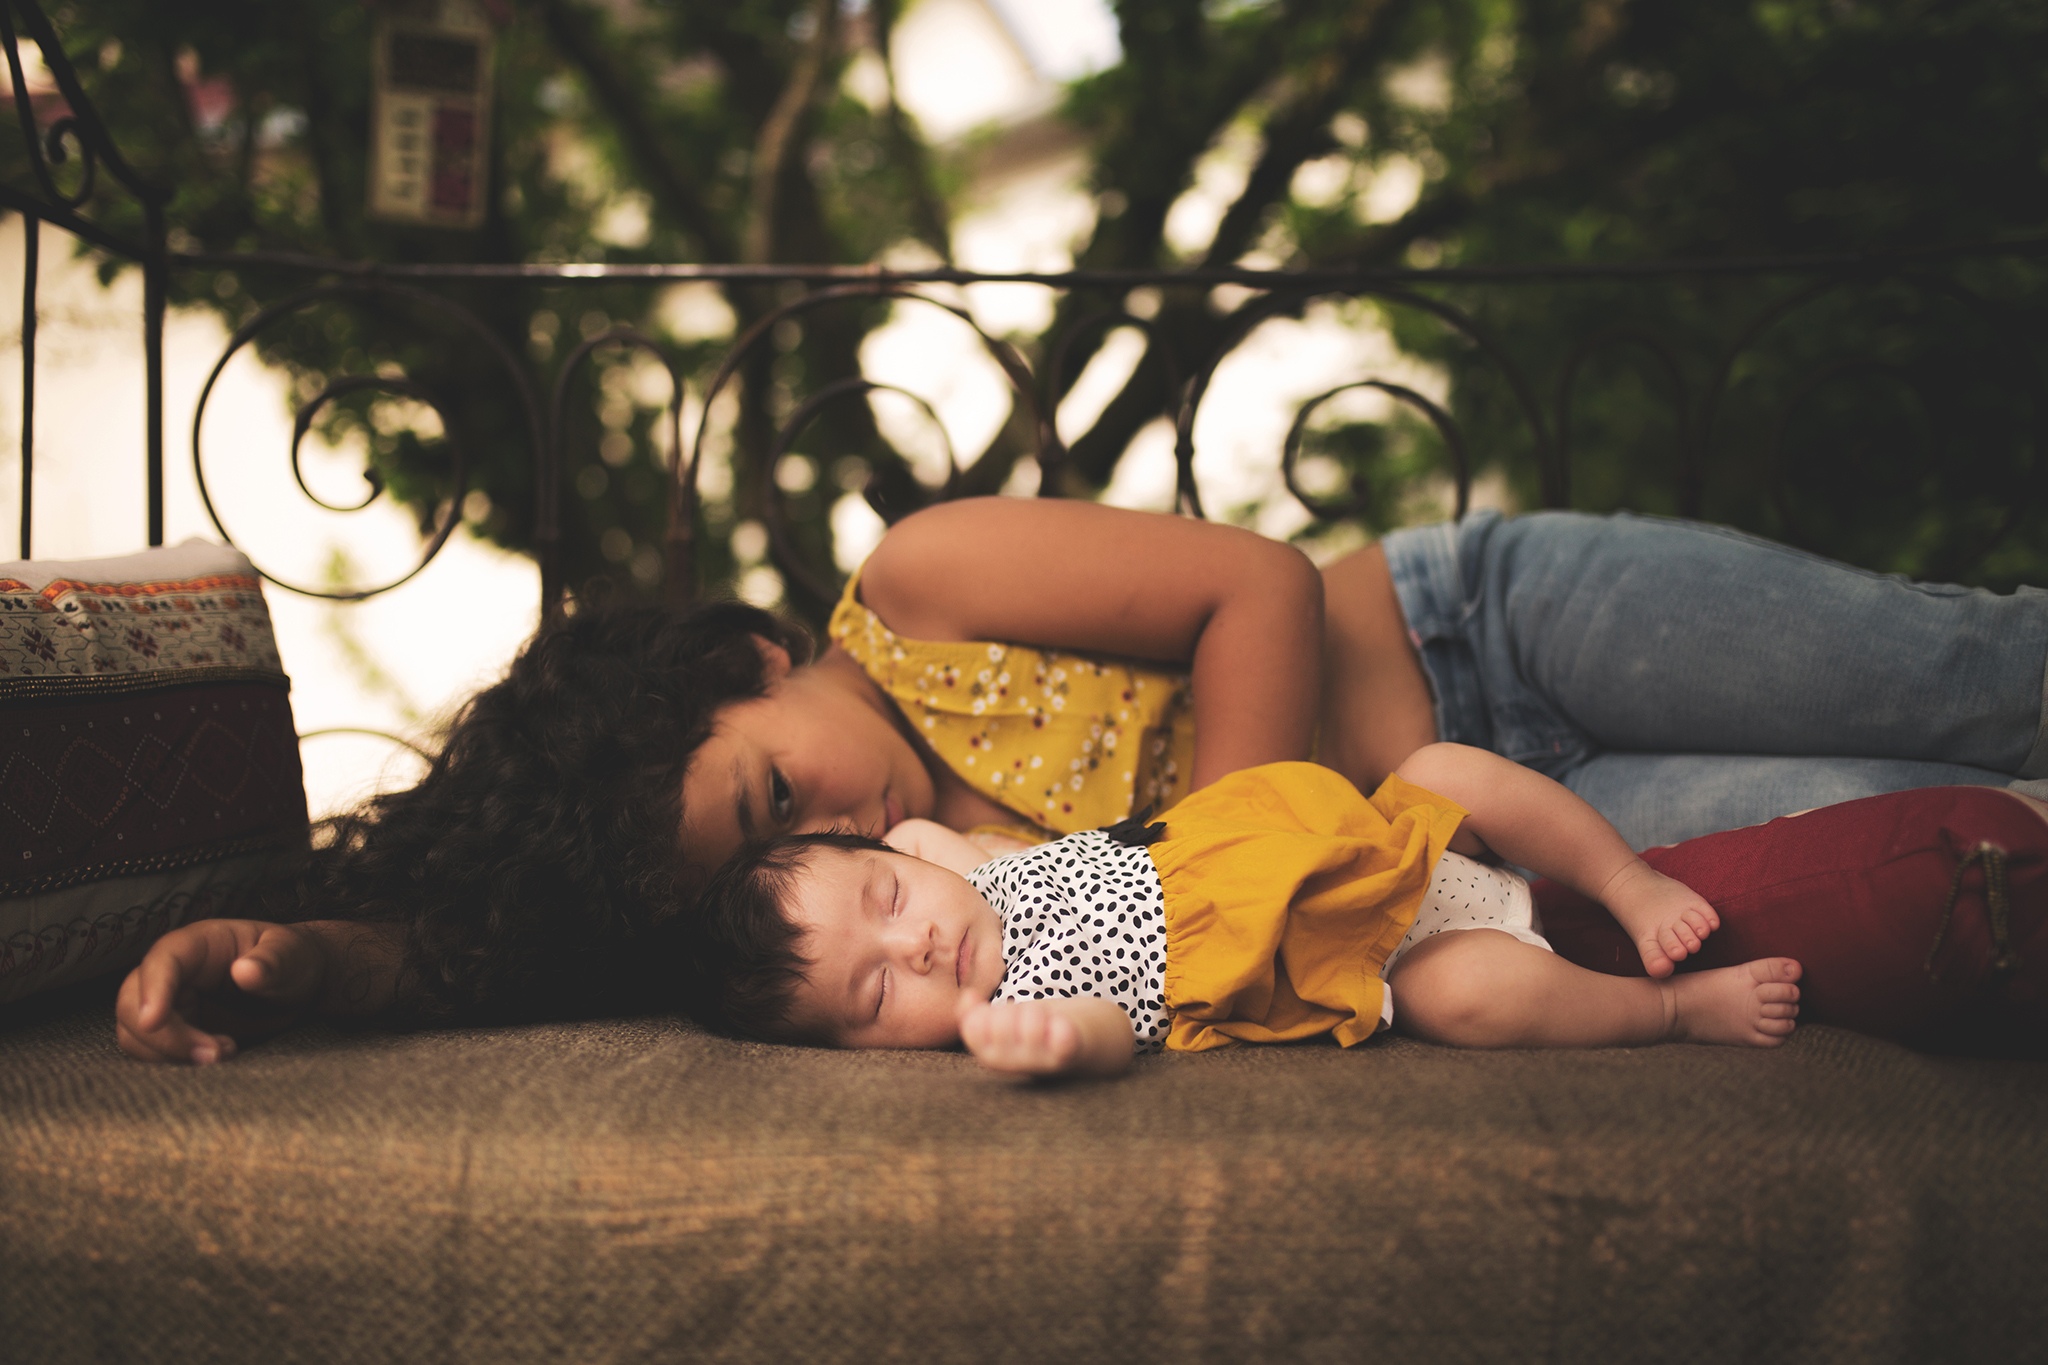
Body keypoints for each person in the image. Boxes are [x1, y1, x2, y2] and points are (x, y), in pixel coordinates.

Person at [112, 499, 2048, 1061]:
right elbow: (504, 954)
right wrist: (307, 956)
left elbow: (1253, 581)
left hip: (1493, 640)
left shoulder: (915, 589)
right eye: (780, 859)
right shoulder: (926, 911)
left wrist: (1248, 841)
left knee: (1977, 669)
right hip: (1503, 854)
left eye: (778, 793)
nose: (850, 838)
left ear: (744, 670)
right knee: (1948, 812)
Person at [676, 748, 1805, 1078]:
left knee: (1443, 768)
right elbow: (1120, 1031)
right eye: (878, 995)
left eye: (885, 901)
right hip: (1363, 955)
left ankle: (1625, 881)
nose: (915, 943)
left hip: (1347, 852)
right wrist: (1053, 1043)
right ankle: (1669, 1014)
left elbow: (924, 855)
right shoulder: (1016, 1002)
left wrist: (905, 857)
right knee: (1454, 996)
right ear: (860, 1049)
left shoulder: (967, 871)